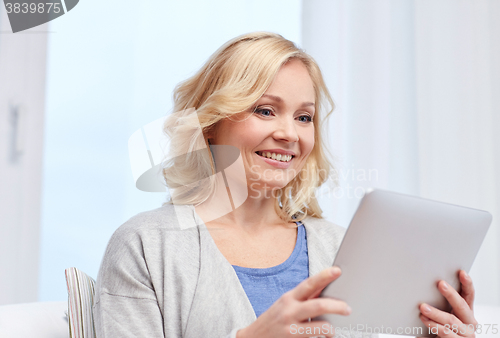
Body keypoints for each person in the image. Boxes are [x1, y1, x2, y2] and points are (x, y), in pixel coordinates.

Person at [93, 32, 478, 338]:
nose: (289, 134)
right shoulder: (146, 245)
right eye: (265, 110)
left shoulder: (341, 248)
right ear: (210, 125)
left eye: (304, 117)